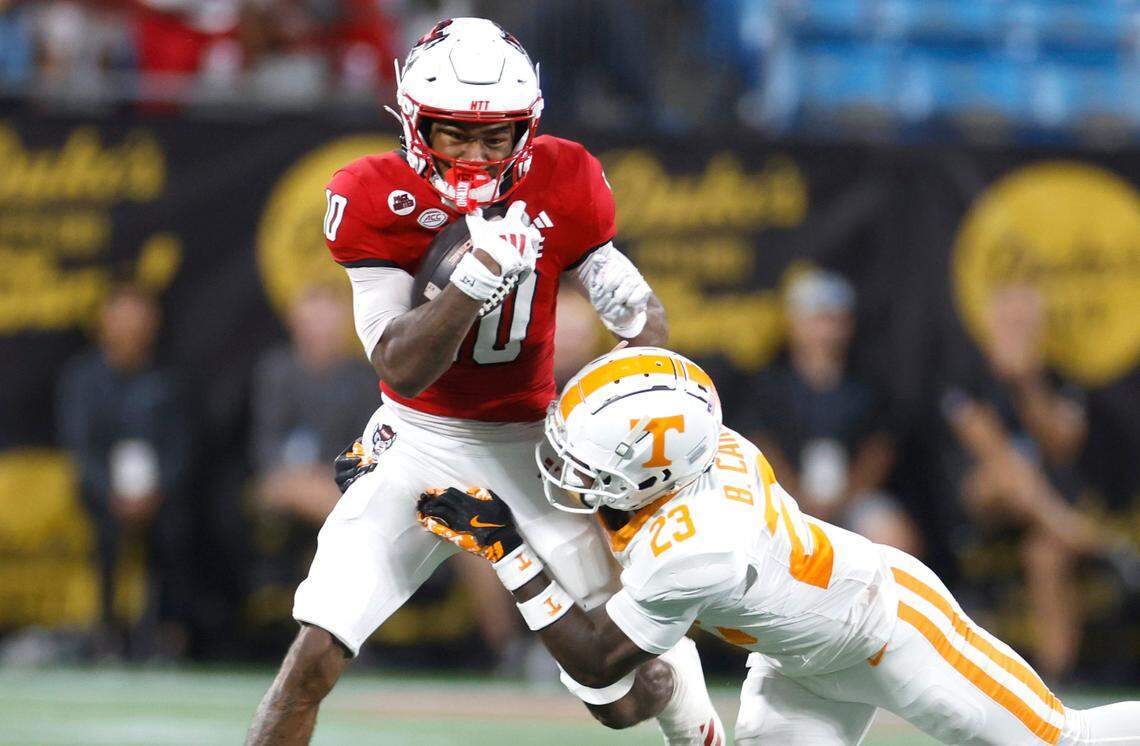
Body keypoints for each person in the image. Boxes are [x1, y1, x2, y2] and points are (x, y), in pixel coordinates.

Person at [245, 18, 722, 746]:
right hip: (418, 441)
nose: (474, 154)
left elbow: (638, 316)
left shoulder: (566, 176)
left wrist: (635, 332)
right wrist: (471, 283)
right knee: (312, 656)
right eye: (453, 134)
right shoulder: (372, 194)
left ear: (525, 130)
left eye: (495, 136)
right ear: (413, 124)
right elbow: (397, 363)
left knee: (625, 684)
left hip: (536, 449)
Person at [417, 346, 1140, 745]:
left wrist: (507, 553)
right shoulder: (698, 452)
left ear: (655, 472)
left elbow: (598, 661)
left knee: (1060, 742)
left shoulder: (696, 546)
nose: (573, 475)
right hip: (798, 664)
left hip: (891, 631)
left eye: (594, 467)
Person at [943, 284, 1133, 682]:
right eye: (1009, 323)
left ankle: (1055, 683)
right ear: (990, 324)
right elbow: (987, 446)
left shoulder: (1054, 377)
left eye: (1024, 324)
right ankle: (1087, 537)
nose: (1016, 331)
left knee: (1047, 556)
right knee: (1010, 470)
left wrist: (1027, 382)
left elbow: (1062, 444)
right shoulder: (966, 373)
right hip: (984, 502)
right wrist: (1060, 515)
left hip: (1041, 512)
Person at [738, 269, 921, 554]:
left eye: (832, 320)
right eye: (815, 319)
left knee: (893, 535)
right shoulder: (767, 386)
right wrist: (795, 499)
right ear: (793, 323)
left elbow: (880, 449)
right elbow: (758, 445)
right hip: (782, 501)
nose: (824, 331)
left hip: (853, 500)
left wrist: (845, 499)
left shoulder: (869, 384)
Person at [56, 283, 192, 660]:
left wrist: (159, 489)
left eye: (139, 316)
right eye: (123, 315)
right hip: (104, 494)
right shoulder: (82, 378)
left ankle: (164, 632)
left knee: (175, 530)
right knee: (105, 535)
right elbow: (80, 447)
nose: (131, 326)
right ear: (104, 321)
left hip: (158, 495)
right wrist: (108, 492)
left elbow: (179, 444)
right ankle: (106, 631)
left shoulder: (168, 377)